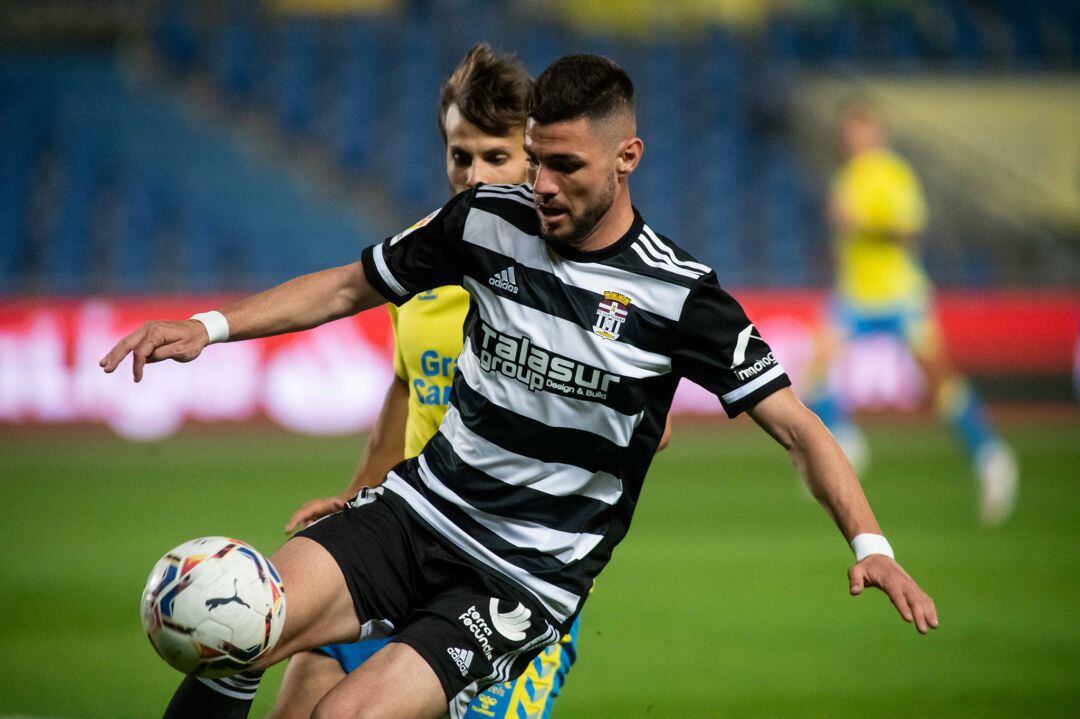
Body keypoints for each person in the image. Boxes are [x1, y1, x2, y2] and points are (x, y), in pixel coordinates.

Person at [101, 55, 938, 719]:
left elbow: (799, 427)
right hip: (417, 508)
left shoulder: (684, 298)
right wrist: (208, 327)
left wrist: (872, 546)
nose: (541, 184)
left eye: (565, 166)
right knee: (240, 620)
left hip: (521, 574)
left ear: (627, 157)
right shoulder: (486, 220)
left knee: (350, 714)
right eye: (535, 160)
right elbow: (350, 285)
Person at [268, 43, 594, 719]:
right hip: (402, 545)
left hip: (507, 577)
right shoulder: (418, 255)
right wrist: (358, 494)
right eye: (459, 155)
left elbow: (651, 428)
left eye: (494, 156)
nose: (472, 175)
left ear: (535, 158)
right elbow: (405, 384)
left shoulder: (571, 275)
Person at [803, 101, 1018, 526]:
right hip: (855, 295)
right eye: (849, 134)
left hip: (901, 295)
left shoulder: (893, 175)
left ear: (876, 135)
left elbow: (908, 233)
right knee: (813, 376)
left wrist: (860, 225)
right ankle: (847, 443)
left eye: (861, 133)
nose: (854, 141)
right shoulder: (846, 179)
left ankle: (991, 456)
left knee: (940, 382)